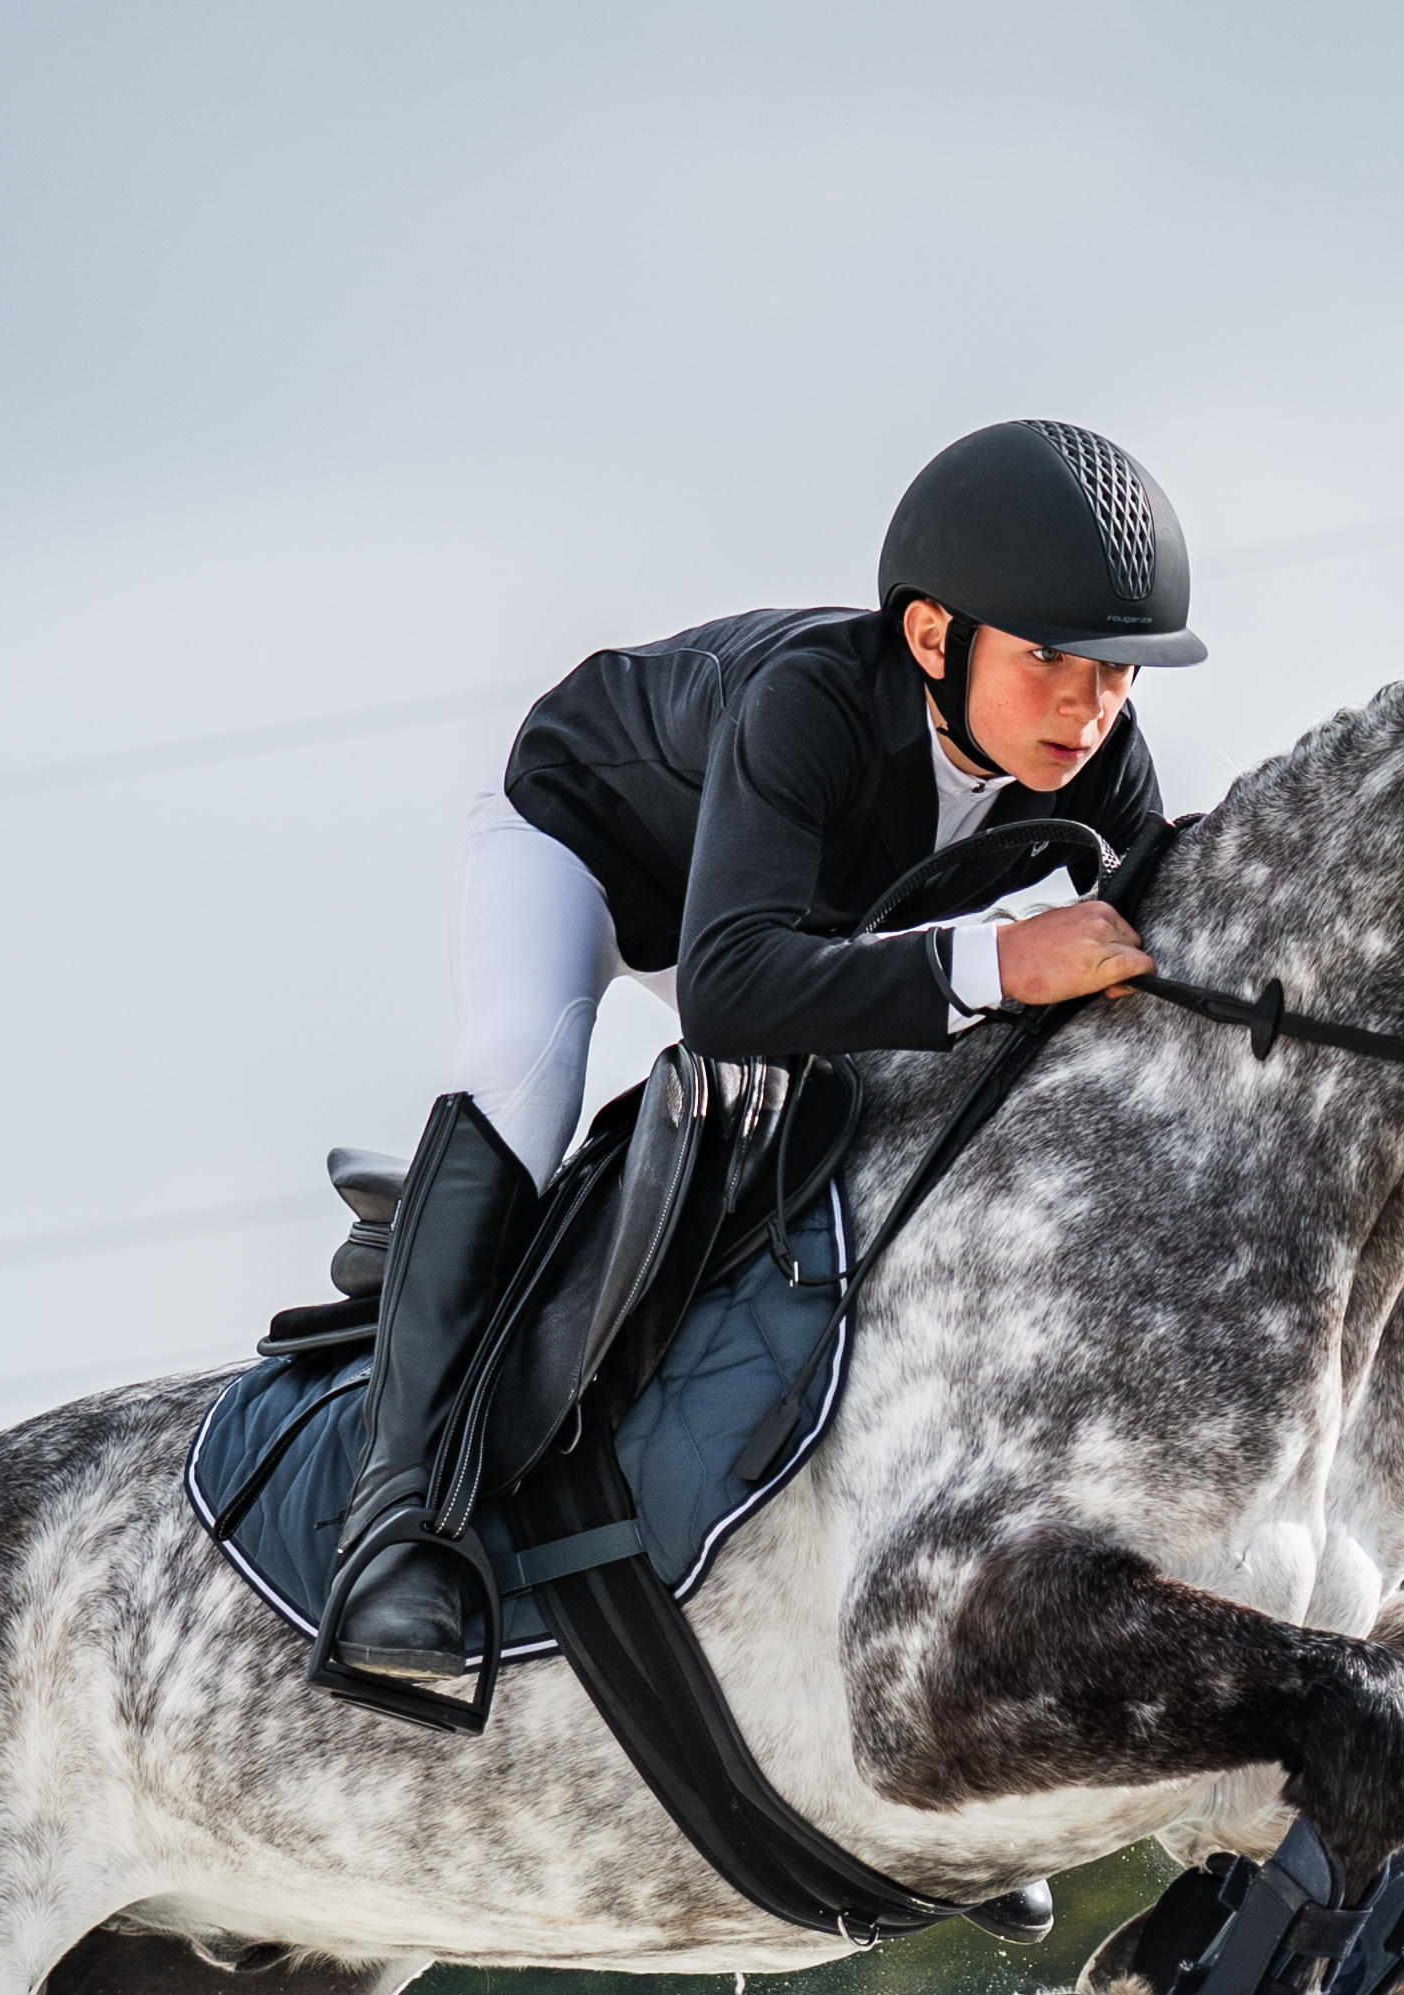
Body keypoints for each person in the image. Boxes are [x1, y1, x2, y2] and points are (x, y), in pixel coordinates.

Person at [318, 419, 1199, 1701]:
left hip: (790, 918)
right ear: (933, 638)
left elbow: (1144, 955)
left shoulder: (1101, 760)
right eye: (1051, 660)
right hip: (593, 848)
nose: (1088, 705)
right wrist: (998, 964)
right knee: (526, 1070)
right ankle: (395, 1524)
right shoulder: (814, 704)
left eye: (1118, 673)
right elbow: (728, 996)